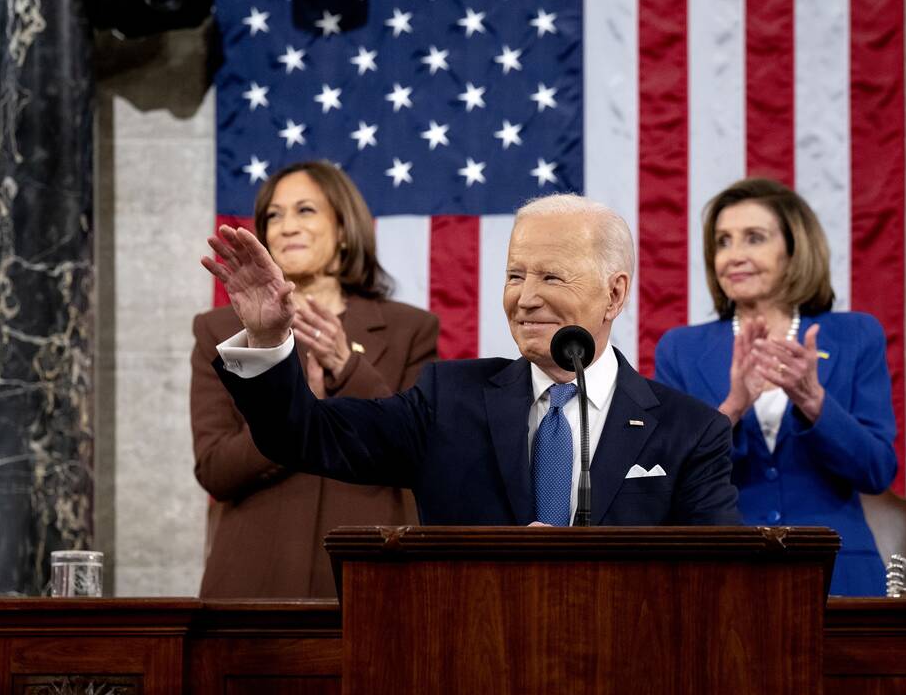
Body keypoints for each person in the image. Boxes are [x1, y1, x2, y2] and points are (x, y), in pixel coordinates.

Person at [201, 194, 741, 527]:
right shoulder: (447, 401)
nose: (525, 297)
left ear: (614, 295)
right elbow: (304, 436)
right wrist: (269, 336)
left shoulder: (690, 432)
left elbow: (717, 583)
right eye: (514, 275)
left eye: (551, 277)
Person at [191, 160, 438, 597]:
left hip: (374, 579)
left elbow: (419, 454)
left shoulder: (410, 329)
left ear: (343, 229)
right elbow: (215, 470)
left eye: (305, 210)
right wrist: (291, 417)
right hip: (255, 585)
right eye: (274, 215)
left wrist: (349, 367)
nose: (287, 227)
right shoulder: (219, 331)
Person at [654, 178, 897, 596]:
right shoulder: (680, 349)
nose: (734, 256)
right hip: (725, 576)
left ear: (793, 249)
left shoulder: (856, 335)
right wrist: (732, 407)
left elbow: (877, 471)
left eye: (754, 238)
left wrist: (814, 402)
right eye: (723, 242)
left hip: (838, 575)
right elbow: (668, 477)